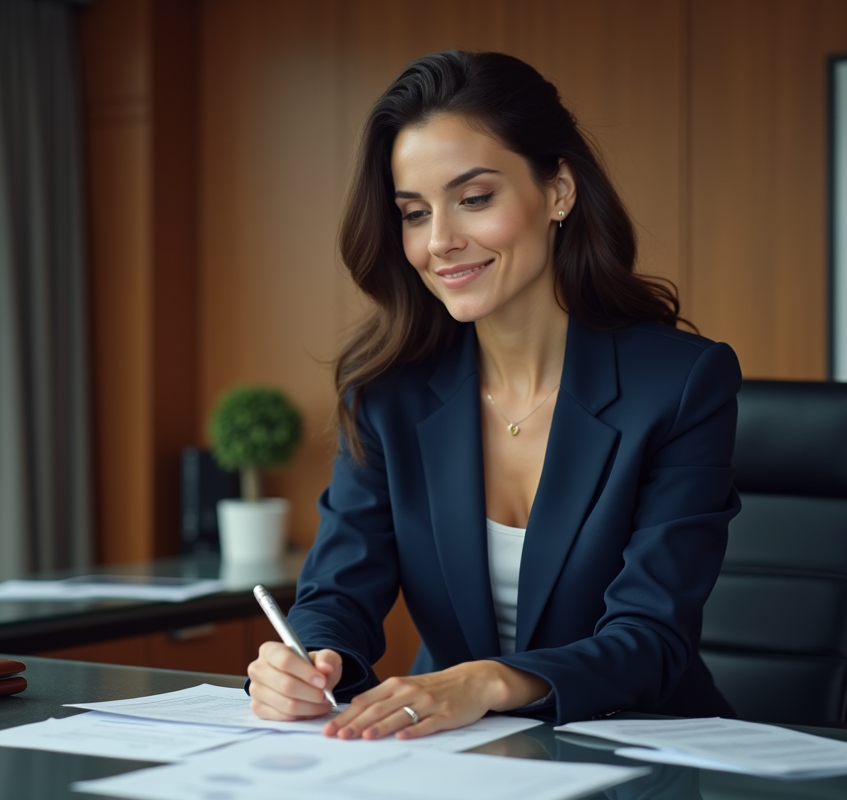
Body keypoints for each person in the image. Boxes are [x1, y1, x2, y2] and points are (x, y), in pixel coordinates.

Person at [246, 50, 741, 739]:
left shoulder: (681, 384)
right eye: (414, 213)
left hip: (646, 753)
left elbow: (650, 638)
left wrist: (487, 679)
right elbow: (337, 592)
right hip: (455, 754)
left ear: (559, 190)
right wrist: (307, 660)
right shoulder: (387, 391)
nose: (441, 241)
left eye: (474, 199)